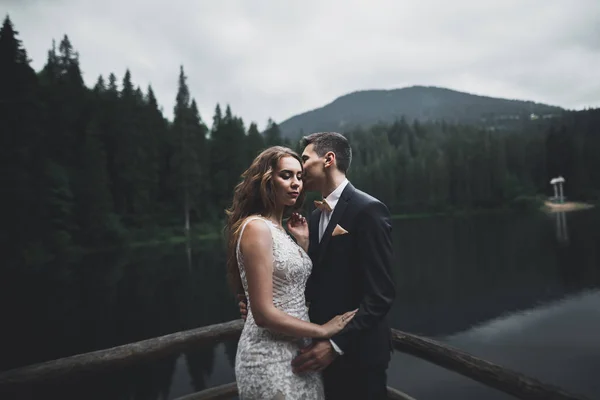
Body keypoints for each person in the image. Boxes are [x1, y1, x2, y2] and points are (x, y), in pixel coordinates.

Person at [240, 132, 396, 399]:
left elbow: (381, 295)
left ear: (328, 160)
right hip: (316, 354)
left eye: (305, 160)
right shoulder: (313, 217)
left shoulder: (368, 210)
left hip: (358, 355)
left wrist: (335, 345)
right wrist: (262, 302)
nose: (300, 170)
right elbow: (314, 285)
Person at [225, 146, 358, 400]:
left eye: (299, 176)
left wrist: (303, 245)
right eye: (286, 176)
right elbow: (263, 314)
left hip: (300, 354)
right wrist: (323, 331)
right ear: (266, 180)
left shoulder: (280, 230)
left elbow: (291, 288)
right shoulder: (256, 228)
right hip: (269, 357)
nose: (296, 183)